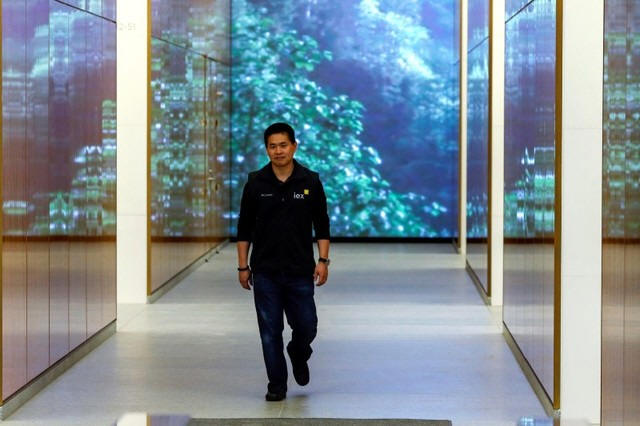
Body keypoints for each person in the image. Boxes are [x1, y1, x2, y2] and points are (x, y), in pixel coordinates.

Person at [236, 122, 331, 401]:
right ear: (267, 150)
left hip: (300, 270)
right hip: (265, 270)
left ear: (294, 146)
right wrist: (243, 266)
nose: (278, 151)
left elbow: (321, 224)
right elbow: (244, 228)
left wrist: (323, 260)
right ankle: (276, 385)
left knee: (307, 326)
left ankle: (298, 353)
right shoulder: (256, 182)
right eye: (272, 146)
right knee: (270, 331)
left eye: (283, 145)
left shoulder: (310, 181)